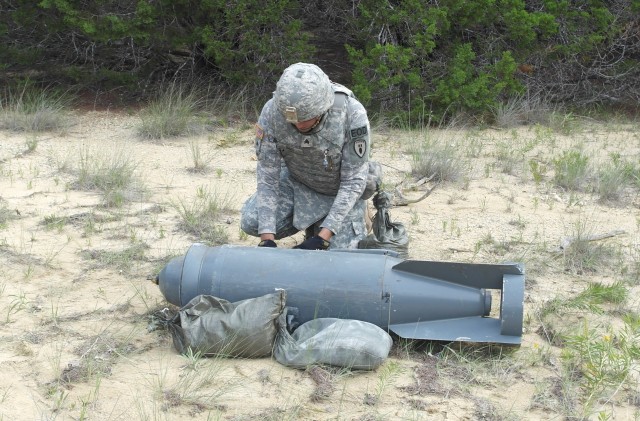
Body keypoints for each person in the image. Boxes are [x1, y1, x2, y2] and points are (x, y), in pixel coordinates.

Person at [240, 62, 379, 250]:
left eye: (305, 118)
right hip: (298, 181)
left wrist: (323, 237)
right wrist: (267, 237)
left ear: (322, 108)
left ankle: (352, 216)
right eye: (292, 120)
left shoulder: (351, 113)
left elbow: (353, 181)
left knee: (340, 257)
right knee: (251, 221)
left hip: (338, 190)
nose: (298, 125)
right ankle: (313, 221)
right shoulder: (272, 111)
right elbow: (268, 175)